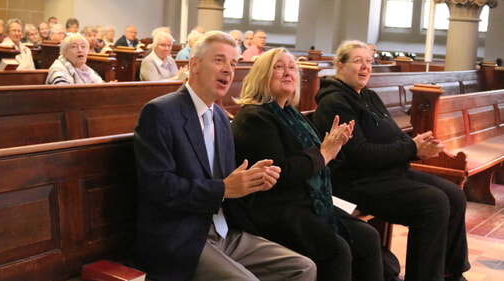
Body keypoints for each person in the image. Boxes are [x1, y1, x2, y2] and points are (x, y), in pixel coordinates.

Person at [132, 30, 316, 281]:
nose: (229, 70)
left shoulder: (220, 116)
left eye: (233, 63)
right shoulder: (161, 112)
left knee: (303, 267)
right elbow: (159, 187)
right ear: (194, 65)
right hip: (180, 236)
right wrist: (224, 189)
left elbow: (229, 182)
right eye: (219, 60)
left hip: (224, 230)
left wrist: (254, 180)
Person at [310, 40, 470, 281]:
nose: (365, 67)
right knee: (433, 202)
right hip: (357, 182)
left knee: (454, 196)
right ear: (340, 66)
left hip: (387, 173)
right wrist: (410, 148)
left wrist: (418, 146)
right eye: (357, 61)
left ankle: (451, 273)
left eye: (369, 61)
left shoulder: (369, 96)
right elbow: (360, 154)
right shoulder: (334, 102)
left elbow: (394, 136)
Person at [231, 47, 384, 281]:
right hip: (277, 209)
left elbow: (320, 158)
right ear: (261, 75)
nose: (287, 72)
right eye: (278, 67)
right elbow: (280, 173)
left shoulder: (291, 114)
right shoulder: (255, 117)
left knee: (367, 237)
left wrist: (335, 147)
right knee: (337, 251)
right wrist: (324, 153)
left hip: (306, 202)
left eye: (292, 68)